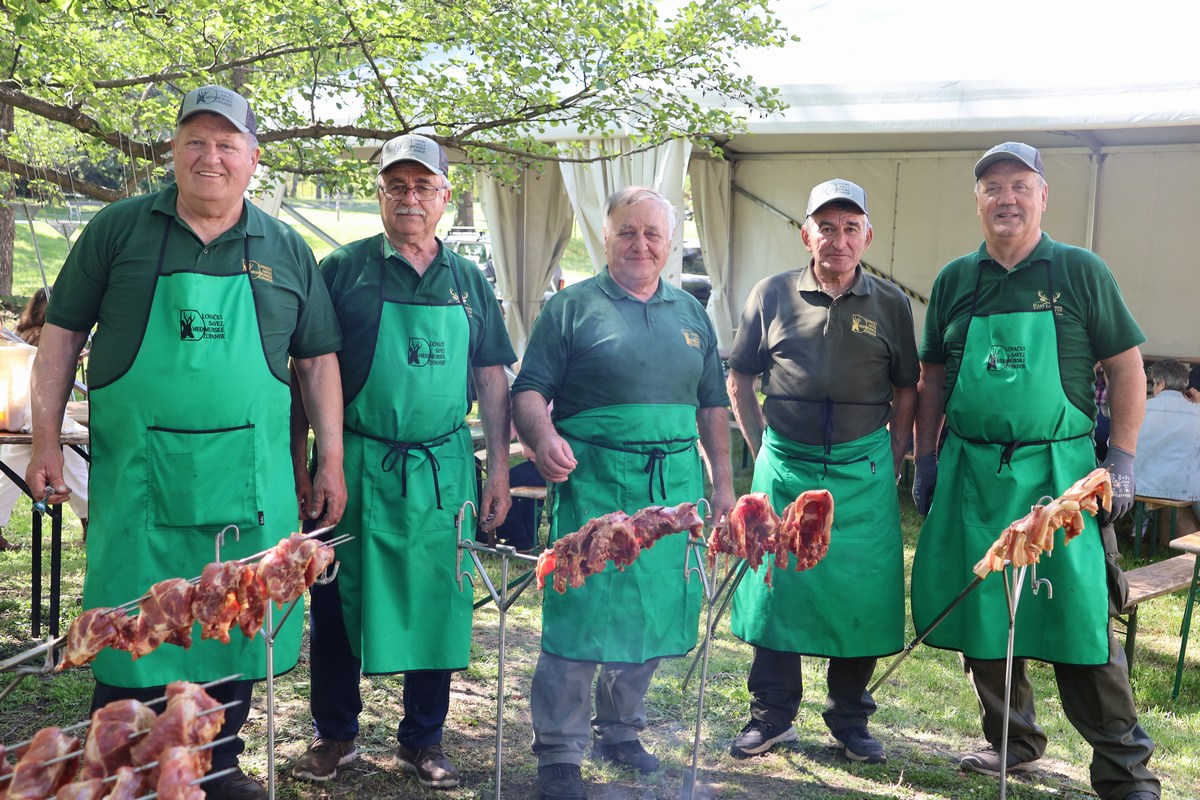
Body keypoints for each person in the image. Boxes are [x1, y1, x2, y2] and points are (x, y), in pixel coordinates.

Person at [27, 85, 346, 800]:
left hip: (250, 477)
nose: (211, 157)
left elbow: (318, 361)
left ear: (253, 159)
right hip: (139, 478)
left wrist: (329, 458)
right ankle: (127, 774)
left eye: (227, 144)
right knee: (132, 625)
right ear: (172, 151)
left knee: (234, 621)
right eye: (195, 142)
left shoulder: (284, 247)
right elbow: (60, 338)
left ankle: (216, 766)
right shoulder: (118, 231)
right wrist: (46, 439)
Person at [910, 142, 1159, 800]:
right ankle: (1012, 740)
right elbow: (933, 375)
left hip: (1060, 475)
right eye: (993, 187)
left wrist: (1122, 457)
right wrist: (926, 456)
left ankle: (1126, 772)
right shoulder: (954, 280)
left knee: (1080, 619)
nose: (1007, 198)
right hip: (972, 472)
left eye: (1021, 185)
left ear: (1044, 196)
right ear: (977, 201)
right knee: (983, 614)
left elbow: (1126, 366)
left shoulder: (1080, 270)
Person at [289, 133, 516, 790]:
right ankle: (335, 734)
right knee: (336, 599)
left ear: (445, 196)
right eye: (396, 186)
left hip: (444, 467)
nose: (409, 198)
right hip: (356, 462)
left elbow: (492, 377)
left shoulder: (468, 280)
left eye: (422, 186)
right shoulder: (343, 270)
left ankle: (423, 738)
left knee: (439, 598)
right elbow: (306, 370)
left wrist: (500, 469)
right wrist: (308, 463)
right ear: (380, 194)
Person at [513, 186, 735, 800]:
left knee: (653, 611)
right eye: (627, 232)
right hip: (596, 486)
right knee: (580, 615)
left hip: (673, 492)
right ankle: (560, 751)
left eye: (653, 233)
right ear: (606, 238)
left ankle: (620, 728)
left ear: (670, 242)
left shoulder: (690, 313)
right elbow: (528, 390)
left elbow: (712, 404)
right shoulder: (572, 307)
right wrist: (542, 438)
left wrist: (722, 482)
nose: (641, 244)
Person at [724, 179, 918, 763]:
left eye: (850, 228)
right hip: (786, 465)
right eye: (826, 228)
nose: (838, 240)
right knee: (775, 590)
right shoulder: (771, 294)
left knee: (863, 589)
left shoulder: (891, 303)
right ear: (806, 234)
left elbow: (907, 388)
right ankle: (772, 715)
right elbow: (740, 378)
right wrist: (761, 447)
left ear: (867, 237)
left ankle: (850, 719)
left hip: (863, 471)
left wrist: (895, 456)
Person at [0, 289, 89, 551]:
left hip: (36, 415)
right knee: (61, 447)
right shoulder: (33, 336)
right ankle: (91, 519)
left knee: (68, 450)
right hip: (25, 412)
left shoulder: (29, 334)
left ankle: (91, 519)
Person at [1134, 358, 1200, 524]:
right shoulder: (1196, 412)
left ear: (1161, 383)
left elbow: (1113, 443)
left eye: (1154, 384)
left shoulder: (1139, 409)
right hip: (1185, 490)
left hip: (1139, 485)